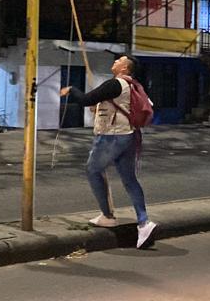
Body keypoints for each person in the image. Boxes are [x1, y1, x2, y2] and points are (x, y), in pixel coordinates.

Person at [60, 54, 157, 249]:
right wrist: (99, 108)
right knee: (129, 179)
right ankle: (144, 222)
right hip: (128, 135)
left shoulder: (116, 84)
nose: (115, 62)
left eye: (119, 60)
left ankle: (107, 215)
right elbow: (104, 104)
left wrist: (72, 90)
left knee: (93, 170)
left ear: (124, 68)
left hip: (112, 136)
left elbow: (86, 99)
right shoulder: (132, 85)